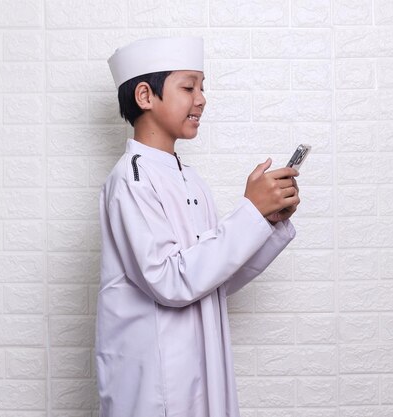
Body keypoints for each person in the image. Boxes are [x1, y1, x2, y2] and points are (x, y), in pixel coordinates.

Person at [96, 36, 300, 417]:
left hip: (200, 364)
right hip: (158, 375)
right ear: (145, 96)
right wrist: (249, 212)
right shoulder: (131, 179)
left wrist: (265, 223)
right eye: (189, 86)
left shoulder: (190, 179)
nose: (202, 98)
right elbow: (170, 280)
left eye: (202, 87)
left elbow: (212, 281)